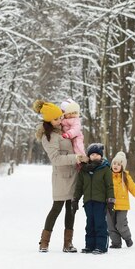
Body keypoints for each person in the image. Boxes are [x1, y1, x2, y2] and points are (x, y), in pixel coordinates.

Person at [33, 100, 88, 253]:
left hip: (74, 174)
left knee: (71, 210)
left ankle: (68, 243)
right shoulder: (48, 136)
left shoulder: (63, 129)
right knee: (56, 208)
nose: (60, 120)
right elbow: (56, 159)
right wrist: (75, 157)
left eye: (60, 117)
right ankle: (44, 242)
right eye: (56, 118)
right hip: (61, 177)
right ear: (49, 120)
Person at [72, 143, 114, 254]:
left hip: (100, 202)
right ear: (89, 156)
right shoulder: (83, 170)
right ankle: (90, 246)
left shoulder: (105, 169)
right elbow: (79, 187)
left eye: (97, 154)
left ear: (101, 156)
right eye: (92, 154)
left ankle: (101, 246)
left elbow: (110, 186)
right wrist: (75, 199)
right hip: (88, 202)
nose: (94, 156)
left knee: (100, 223)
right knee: (90, 224)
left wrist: (110, 200)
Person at [107, 151, 135, 248]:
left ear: (122, 166)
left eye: (119, 164)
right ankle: (116, 243)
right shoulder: (107, 175)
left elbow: (134, 190)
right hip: (109, 205)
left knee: (120, 225)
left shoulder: (125, 177)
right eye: (114, 163)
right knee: (111, 226)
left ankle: (127, 238)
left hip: (122, 206)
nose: (116, 166)